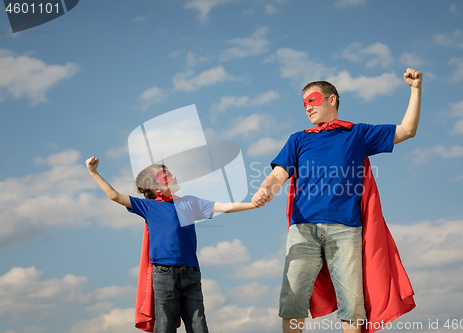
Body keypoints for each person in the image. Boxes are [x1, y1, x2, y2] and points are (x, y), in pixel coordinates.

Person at [252, 68, 422, 333]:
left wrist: (415, 90)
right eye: (304, 103)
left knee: (352, 306)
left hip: (345, 230)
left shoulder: (356, 134)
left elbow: (407, 130)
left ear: (332, 99)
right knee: (293, 301)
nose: (307, 107)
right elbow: (279, 173)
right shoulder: (299, 139)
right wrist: (265, 189)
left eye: (313, 100)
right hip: (303, 230)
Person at [86, 156, 258, 333]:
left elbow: (224, 207)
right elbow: (114, 195)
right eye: (165, 176)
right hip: (164, 274)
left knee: (198, 323)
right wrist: (94, 172)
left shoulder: (189, 203)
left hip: (191, 272)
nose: (173, 176)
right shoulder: (148, 207)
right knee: (165, 325)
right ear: (155, 187)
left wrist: (253, 204)